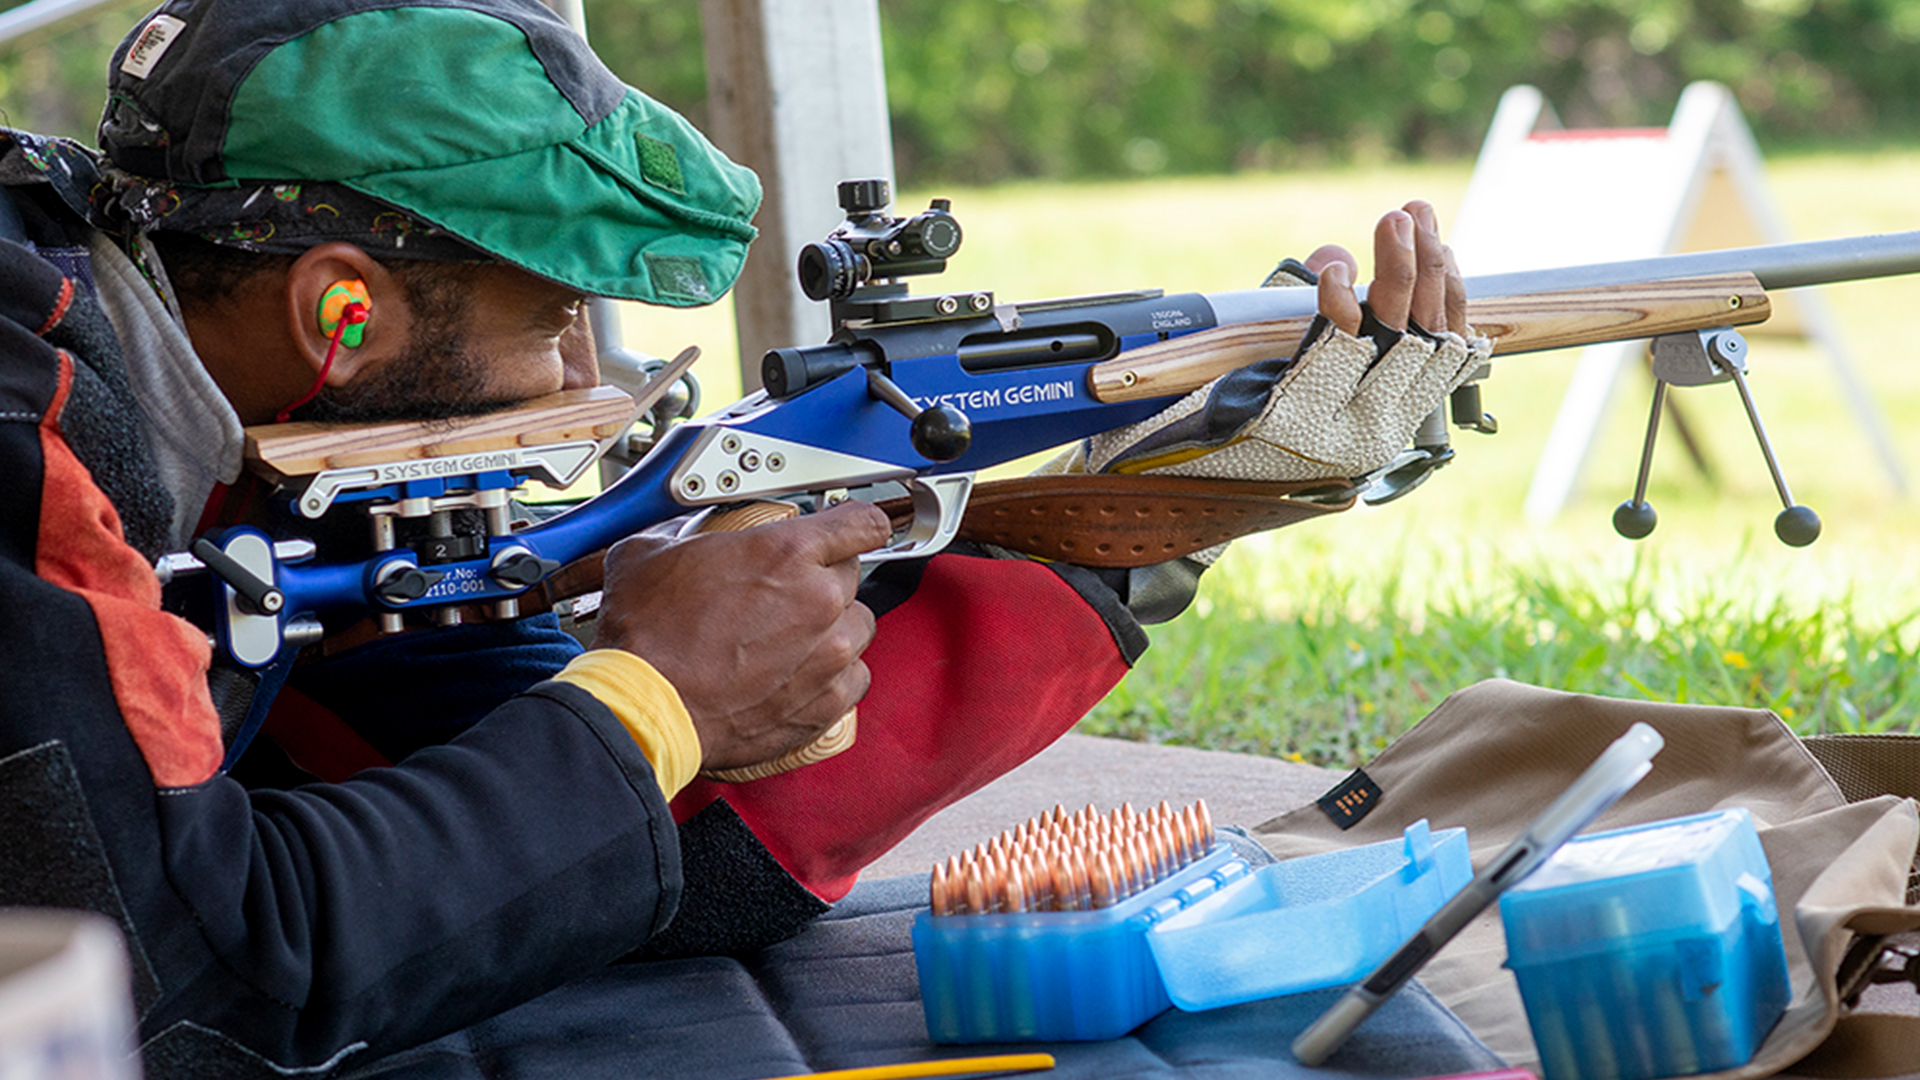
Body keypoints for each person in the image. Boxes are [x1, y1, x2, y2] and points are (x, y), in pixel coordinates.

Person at [0, 0, 1484, 1075]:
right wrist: (652, 692)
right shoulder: (42, 455)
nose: (587, 380)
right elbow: (181, 991)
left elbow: (581, 875)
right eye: (557, 316)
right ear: (341, 309)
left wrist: (1165, 506)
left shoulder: (195, 429)